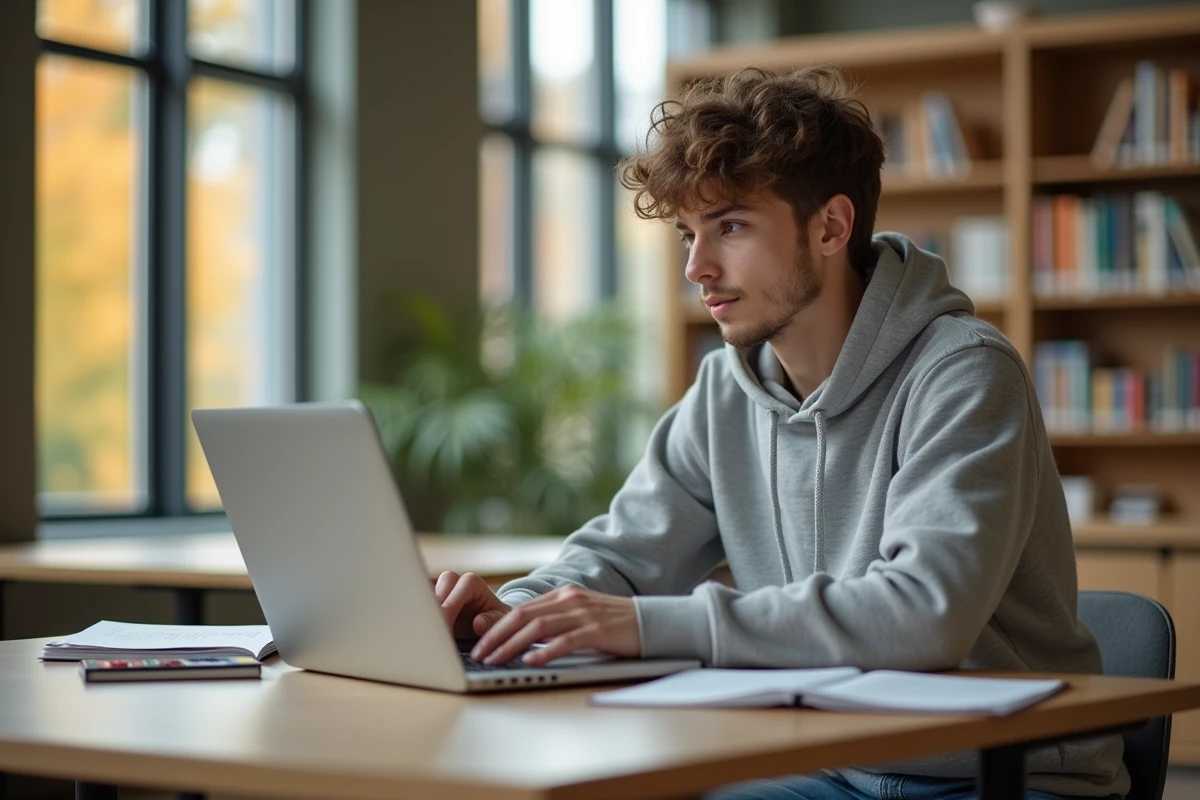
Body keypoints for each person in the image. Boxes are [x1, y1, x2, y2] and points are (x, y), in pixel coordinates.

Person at [435, 66, 1128, 800]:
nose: (697, 268)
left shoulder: (964, 373)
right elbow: (623, 559)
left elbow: (925, 615)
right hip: (832, 764)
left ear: (830, 226)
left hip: (1002, 776)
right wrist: (511, 614)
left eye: (730, 225)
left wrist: (646, 626)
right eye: (687, 234)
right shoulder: (722, 391)